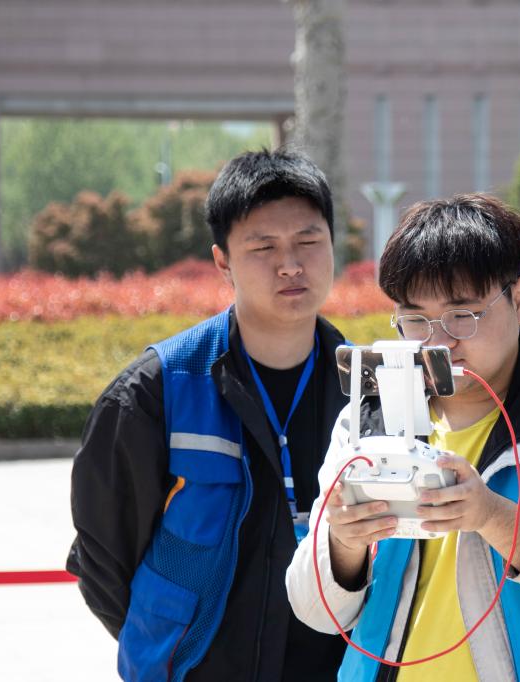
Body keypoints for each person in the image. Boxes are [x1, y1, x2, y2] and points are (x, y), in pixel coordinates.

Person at [286, 193, 520, 681]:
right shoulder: (367, 422)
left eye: (462, 315)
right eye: (416, 320)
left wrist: (491, 516)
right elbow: (314, 611)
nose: (439, 342)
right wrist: (343, 542)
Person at [66, 149, 350, 681]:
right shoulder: (156, 391)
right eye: (263, 247)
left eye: (309, 241)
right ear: (223, 262)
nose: (291, 265)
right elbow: (102, 558)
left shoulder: (364, 389)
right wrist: (167, 648)